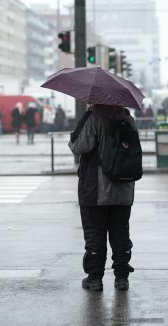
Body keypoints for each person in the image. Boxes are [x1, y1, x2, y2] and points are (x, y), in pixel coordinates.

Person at [68, 104, 136, 291]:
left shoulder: (93, 117)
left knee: (95, 232)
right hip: (124, 187)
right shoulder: (127, 118)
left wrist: (77, 130)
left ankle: (95, 278)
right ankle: (122, 277)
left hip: (96, 188)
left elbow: (79, 146)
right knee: (120, 232)